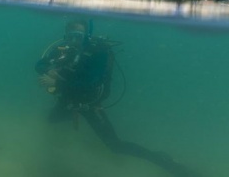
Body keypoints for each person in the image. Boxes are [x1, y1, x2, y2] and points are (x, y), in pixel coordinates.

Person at [35, 20, 198, 177]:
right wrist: (50, 69)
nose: (74, 40)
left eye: (78, 35)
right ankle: (61, 161)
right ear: (66, 35)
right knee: (52, 123)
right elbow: (39, 65)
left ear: (87, 36)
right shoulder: (62, 49)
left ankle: (165, 162)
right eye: (71, 35)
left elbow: (90, 82)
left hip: (89, 105)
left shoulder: (98, 52)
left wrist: (58, 81)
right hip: (68, 101)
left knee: (116, 146)